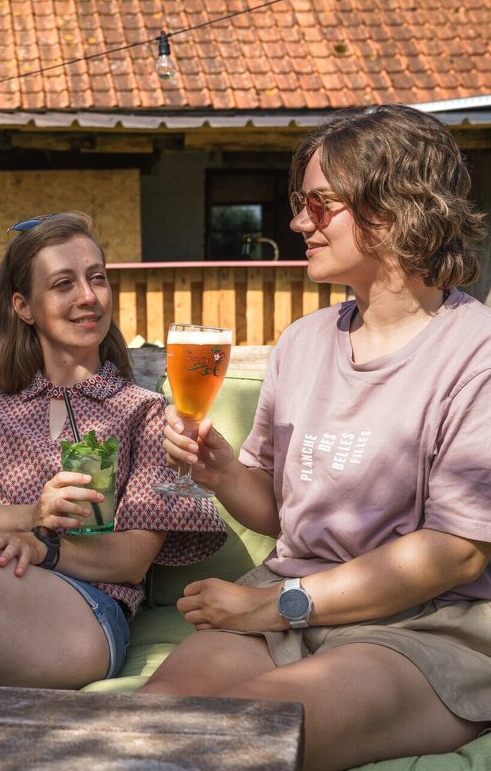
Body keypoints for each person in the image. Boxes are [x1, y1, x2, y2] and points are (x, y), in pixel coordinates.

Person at [141, 105, 491, 771]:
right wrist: (223, 474)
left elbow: (455, 557)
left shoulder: (477, 353)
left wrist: (277, 603)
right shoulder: (301, 344)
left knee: (237, 742)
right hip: (285, 606)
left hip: (425, 627)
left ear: (394, 208)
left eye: (319, 204)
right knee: (136, 734)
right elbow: (281, 514)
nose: (298, 222)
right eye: (299, 203)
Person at [0, 211, 226, 689]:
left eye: (97, 279)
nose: (88, 297)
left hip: (80, 614)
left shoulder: (143, 413)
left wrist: (43, 548)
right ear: (24, 307)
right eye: (64, 283)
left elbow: (131, 559)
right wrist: (31, 515)